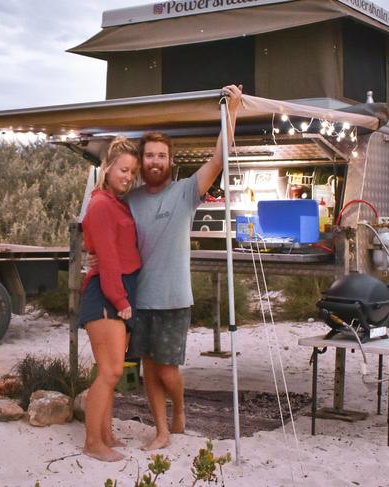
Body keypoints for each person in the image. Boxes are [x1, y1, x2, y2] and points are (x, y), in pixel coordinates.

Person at [127, 84, 243, 450]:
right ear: (142, 161)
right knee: (148, 367)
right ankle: (161, 430)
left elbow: (219, 158)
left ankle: (179, 407)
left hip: (175, 297)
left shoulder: (185, 192)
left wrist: (233, 111)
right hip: (139, 299)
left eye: (161, 155)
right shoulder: (129, 199)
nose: (155, 161)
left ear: (169, 160)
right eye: (149, 156)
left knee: (167, 369)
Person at [77, 136, 141, 462]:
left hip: (117, 290)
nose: (128, 176)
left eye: (132, 171)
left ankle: (105, 434)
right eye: (123, 169)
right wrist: (120, 300)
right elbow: (108, 257)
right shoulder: (102, 204)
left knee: (110, 371)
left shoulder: (115, 201)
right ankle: (92, 442)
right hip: (105, 293)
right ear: (108, 167)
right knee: (111, 372)